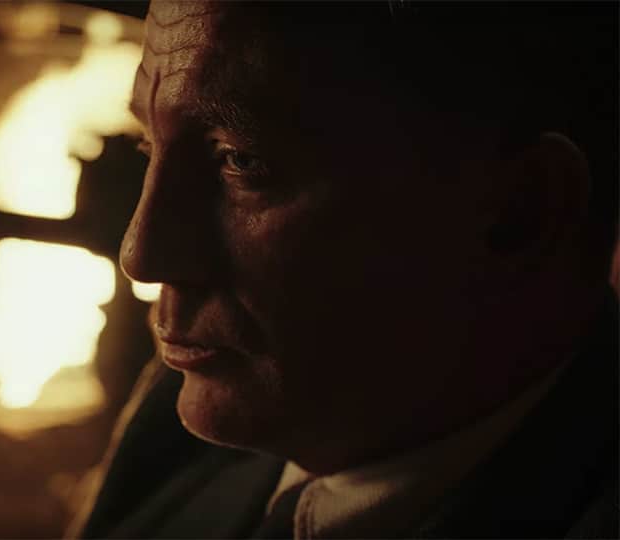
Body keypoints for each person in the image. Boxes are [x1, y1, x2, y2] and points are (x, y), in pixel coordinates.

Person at [71, 1, 619, 538]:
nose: (141, 257)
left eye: (242, 160)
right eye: (147, 146)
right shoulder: (192, 416)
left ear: (519, 215)